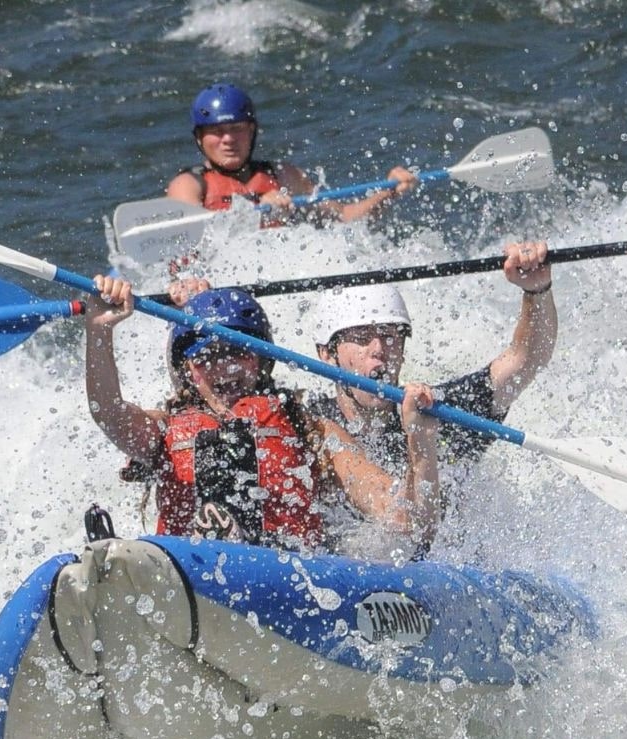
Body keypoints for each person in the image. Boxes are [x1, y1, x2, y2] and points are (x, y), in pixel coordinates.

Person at [85, 277, 442, 556]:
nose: (224, 365)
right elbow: (108, 412)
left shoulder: (313, 432)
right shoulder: (163, 431)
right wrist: (99, 330)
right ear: (189, 370)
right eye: (208, 356)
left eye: (239, 351)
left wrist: (420, 444)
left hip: (289, 584)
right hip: (187, 578)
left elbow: (404, 519)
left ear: (261, 361)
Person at [307, 241, 555, 479]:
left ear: (403, 351)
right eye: (361, 337)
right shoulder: (306, 427)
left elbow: (526, 360)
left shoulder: (435, 413)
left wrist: (537, 290)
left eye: (389, 336)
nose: (379, 348)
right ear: (327, 354)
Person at [167, 82, 418, 224]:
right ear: (199, 138)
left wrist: (389, 192)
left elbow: (346, 217)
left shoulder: (284, 176)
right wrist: (257, 211)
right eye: (217, 131)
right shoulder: (188, 185)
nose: (229, 139)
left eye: (237, 129)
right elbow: (198, 244)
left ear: (252, 131)